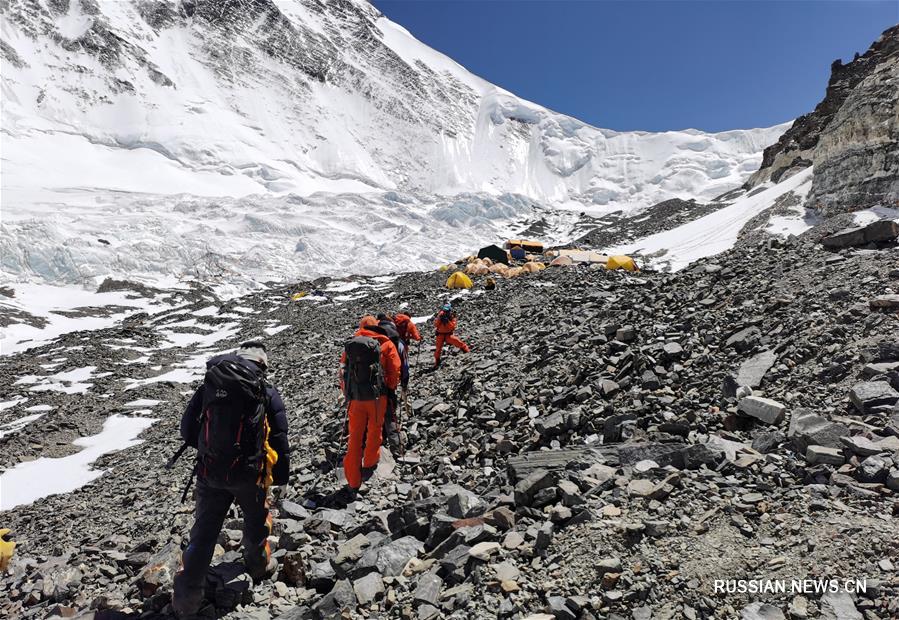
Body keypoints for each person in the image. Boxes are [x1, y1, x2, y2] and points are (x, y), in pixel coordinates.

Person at [172, 341, 290, 617]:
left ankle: (185, 602)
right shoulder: (265, 390)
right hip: (250, 473)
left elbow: (187, 430)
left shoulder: (210, 385)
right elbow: (279, 439)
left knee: (203, 533)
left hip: (209, 471)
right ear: (262, 365)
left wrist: (210, 450)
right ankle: (258, 565)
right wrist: (281, 477)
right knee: (255, 521)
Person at [338, 316, 400, 500]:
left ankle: (353, 479)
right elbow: (394, 368)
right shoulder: (385, 343)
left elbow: (343, 372)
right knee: (375, 429)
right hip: (377, 398)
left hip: (355, 399)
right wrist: (390, 388)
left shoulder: (351, 345)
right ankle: (370, 462)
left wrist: (348, 392)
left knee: (355, 436)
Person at [433, 302, 469, 368]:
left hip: (448, 335)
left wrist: (447, 321)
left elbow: (453, 327)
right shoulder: (440, 315)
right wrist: (440, 319)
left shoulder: (452, 317)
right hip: (440, 335)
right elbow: (435, 324)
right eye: (444, 310)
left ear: (450, 310)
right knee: (438, 349)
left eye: (447, 311)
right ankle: (437, 362)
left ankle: (466, 351)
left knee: (457, 341)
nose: (445, 312)